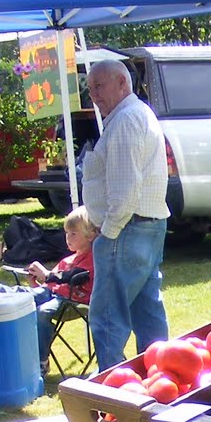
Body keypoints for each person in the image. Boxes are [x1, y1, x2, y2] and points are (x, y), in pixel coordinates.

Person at [81, 58, 169, 370]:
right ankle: (159, 378)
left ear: (122, 83)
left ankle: (113, 389)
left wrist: (108, 232)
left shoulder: (125, 121)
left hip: (127, 228)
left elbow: (125, 189)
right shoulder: (136, 114)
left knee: (108, 317)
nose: (94, 94)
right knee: (147, 311)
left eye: (99, 86)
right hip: (145, 225)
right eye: (90, 89)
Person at [24, 205, 97, 371]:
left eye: (73, 234)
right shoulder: (67, 260)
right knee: (24, 299)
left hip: (73, 302)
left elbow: (75, 277)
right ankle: (0, 291)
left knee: (42, 312)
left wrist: (47, 275)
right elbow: (48, 286)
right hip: (53, 295)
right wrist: (34, 282)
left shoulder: (93, 259)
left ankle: (41, 361)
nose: (68, 238)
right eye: (66, 233)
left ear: (91, 235)